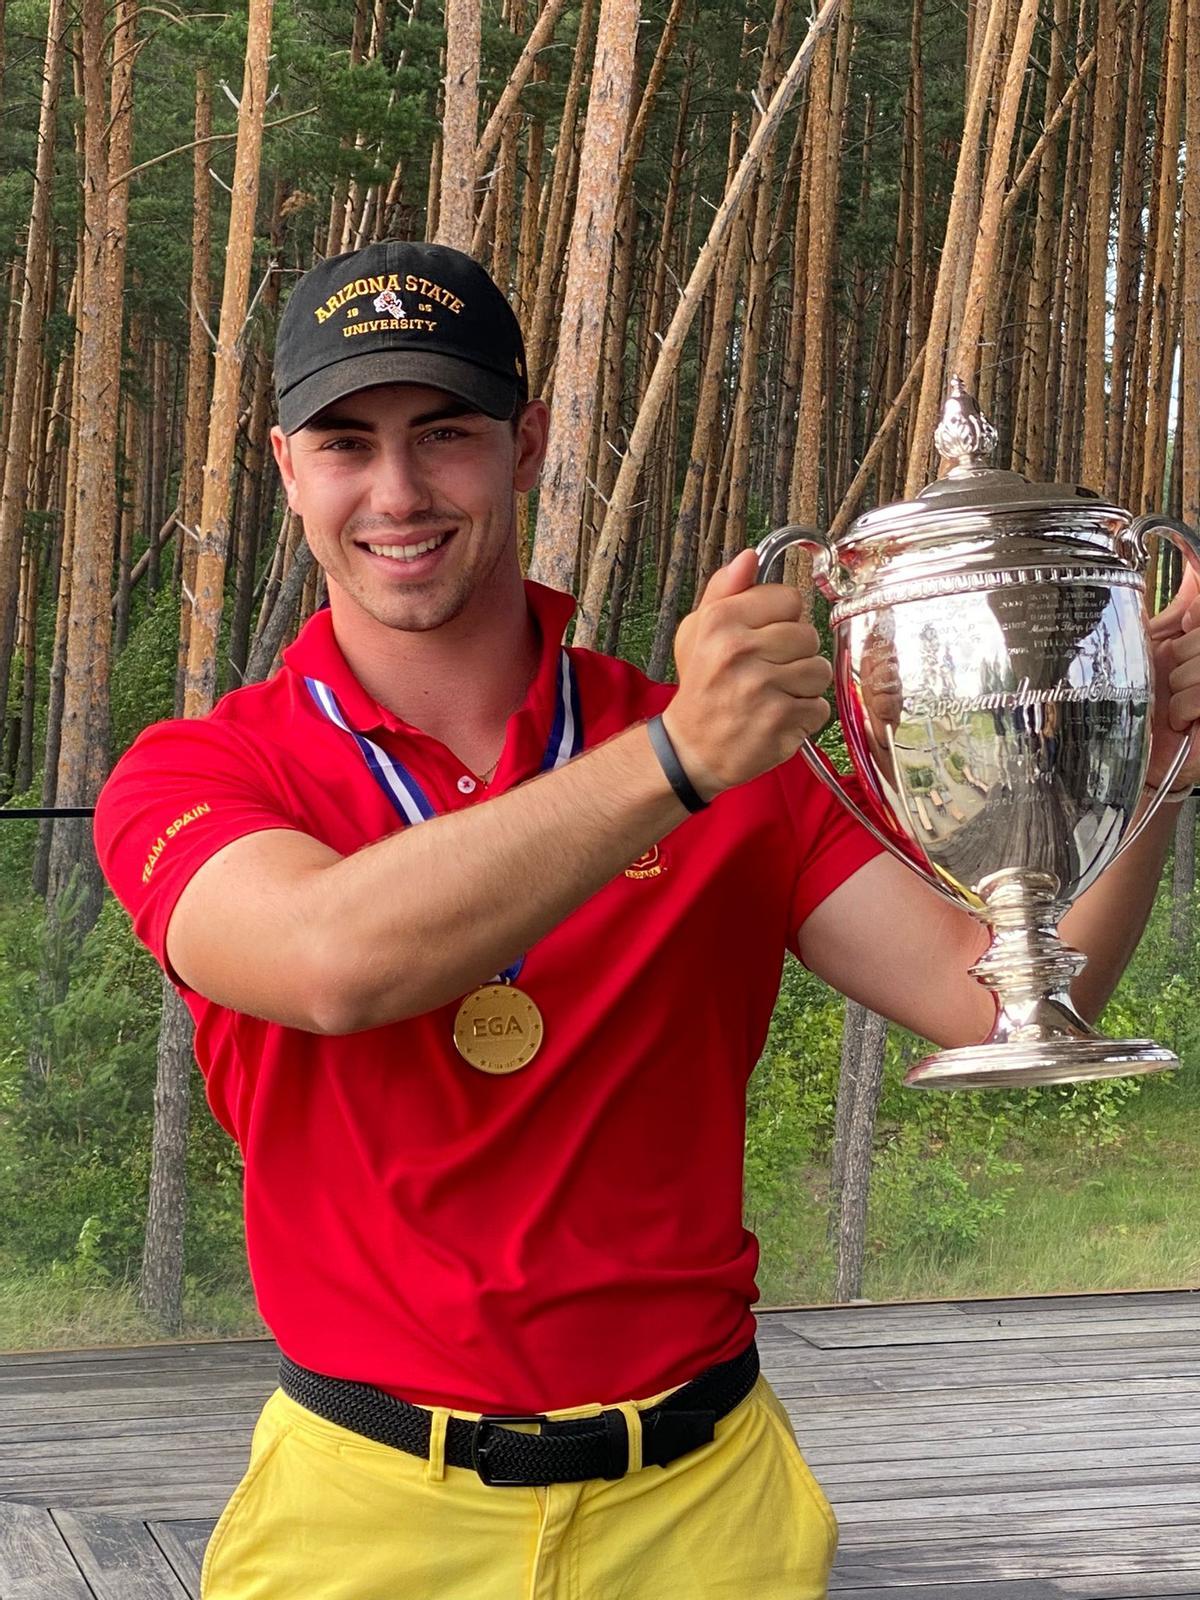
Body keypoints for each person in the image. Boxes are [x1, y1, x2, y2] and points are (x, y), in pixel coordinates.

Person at [94, 239, 1200, 1600]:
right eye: (345, 442)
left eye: (446, 433)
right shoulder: (201, 770)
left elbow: (995, 997)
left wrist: (1136, 770)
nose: (396, 492)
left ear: (528, 445)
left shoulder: (742, 756)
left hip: (705, 1511)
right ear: (285, 467)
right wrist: (673, 761)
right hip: (361, 1515)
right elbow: (332, 964)